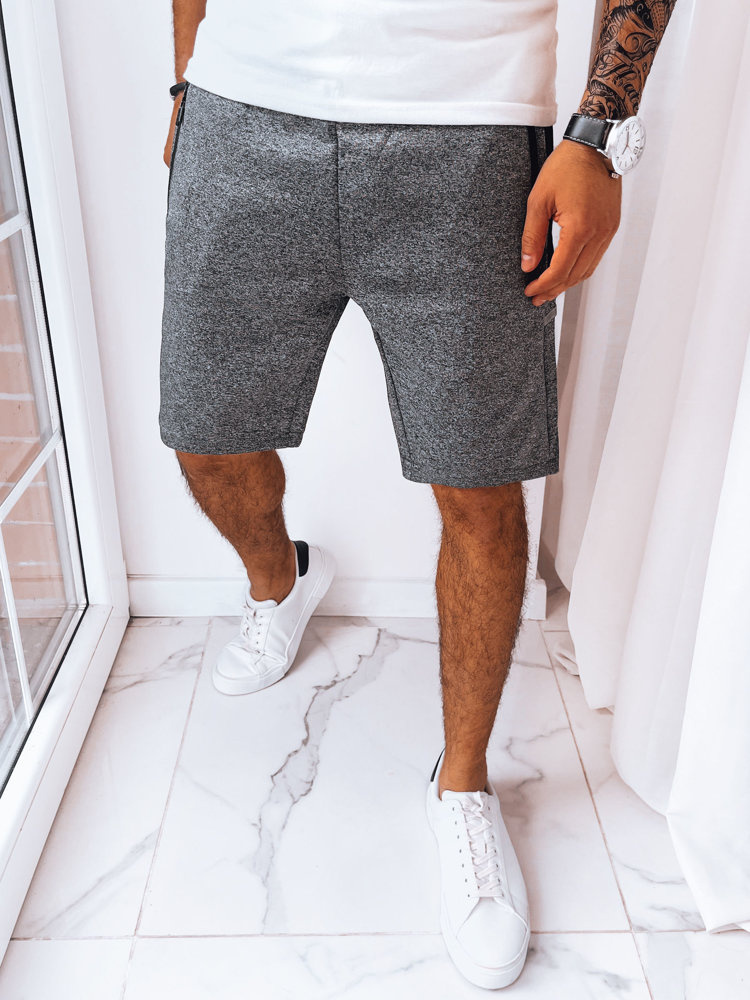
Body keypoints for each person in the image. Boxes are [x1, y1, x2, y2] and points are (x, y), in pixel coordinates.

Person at [159, 0, 676, 989]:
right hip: (242, 108)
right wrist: (187, 76)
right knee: (205, 433)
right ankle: (280, 581)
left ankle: (463, 786)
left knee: (480, 488)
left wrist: (600, 136)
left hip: (470, 131)